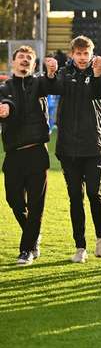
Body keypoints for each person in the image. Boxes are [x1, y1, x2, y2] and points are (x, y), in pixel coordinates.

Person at [45, 36, 101, 263]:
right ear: (72, 54)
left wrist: (99, 74)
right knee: (75, 197)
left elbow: (98, 93)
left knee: (94, 193)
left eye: (86, 53)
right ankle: (80, 246)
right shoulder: (64, 73)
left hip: (93, 146)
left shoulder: (98, 71)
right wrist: (51, 73)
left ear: (92, 54)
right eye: (78, 53)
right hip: (68, 147)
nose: (82, 58)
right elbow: (52, 87)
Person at [0, 46, 54, 266]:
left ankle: (26, 250)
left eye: (29, 58)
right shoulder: (4, 87)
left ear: (33, 64)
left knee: (36, 204)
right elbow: (7, 102)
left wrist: (51, 73)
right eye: (21, 57)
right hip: (13, 154)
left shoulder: (40, 84)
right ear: (13, 62)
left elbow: (53, 85)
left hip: (37, 152)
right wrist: (5, 108)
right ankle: (33, 235)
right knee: (13, 200)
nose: (24, 60)